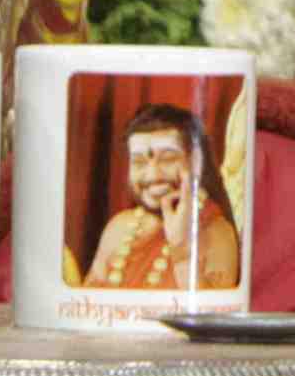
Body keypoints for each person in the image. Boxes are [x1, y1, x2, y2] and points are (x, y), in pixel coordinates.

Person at [77, 100, 244, 294]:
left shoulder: (217, 234)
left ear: (196, 163)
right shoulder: (119, 226)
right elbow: (86, 303)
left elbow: (209, 312)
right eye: (139, 162)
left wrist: (182, 254)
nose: (153, 176)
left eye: (167, 159)